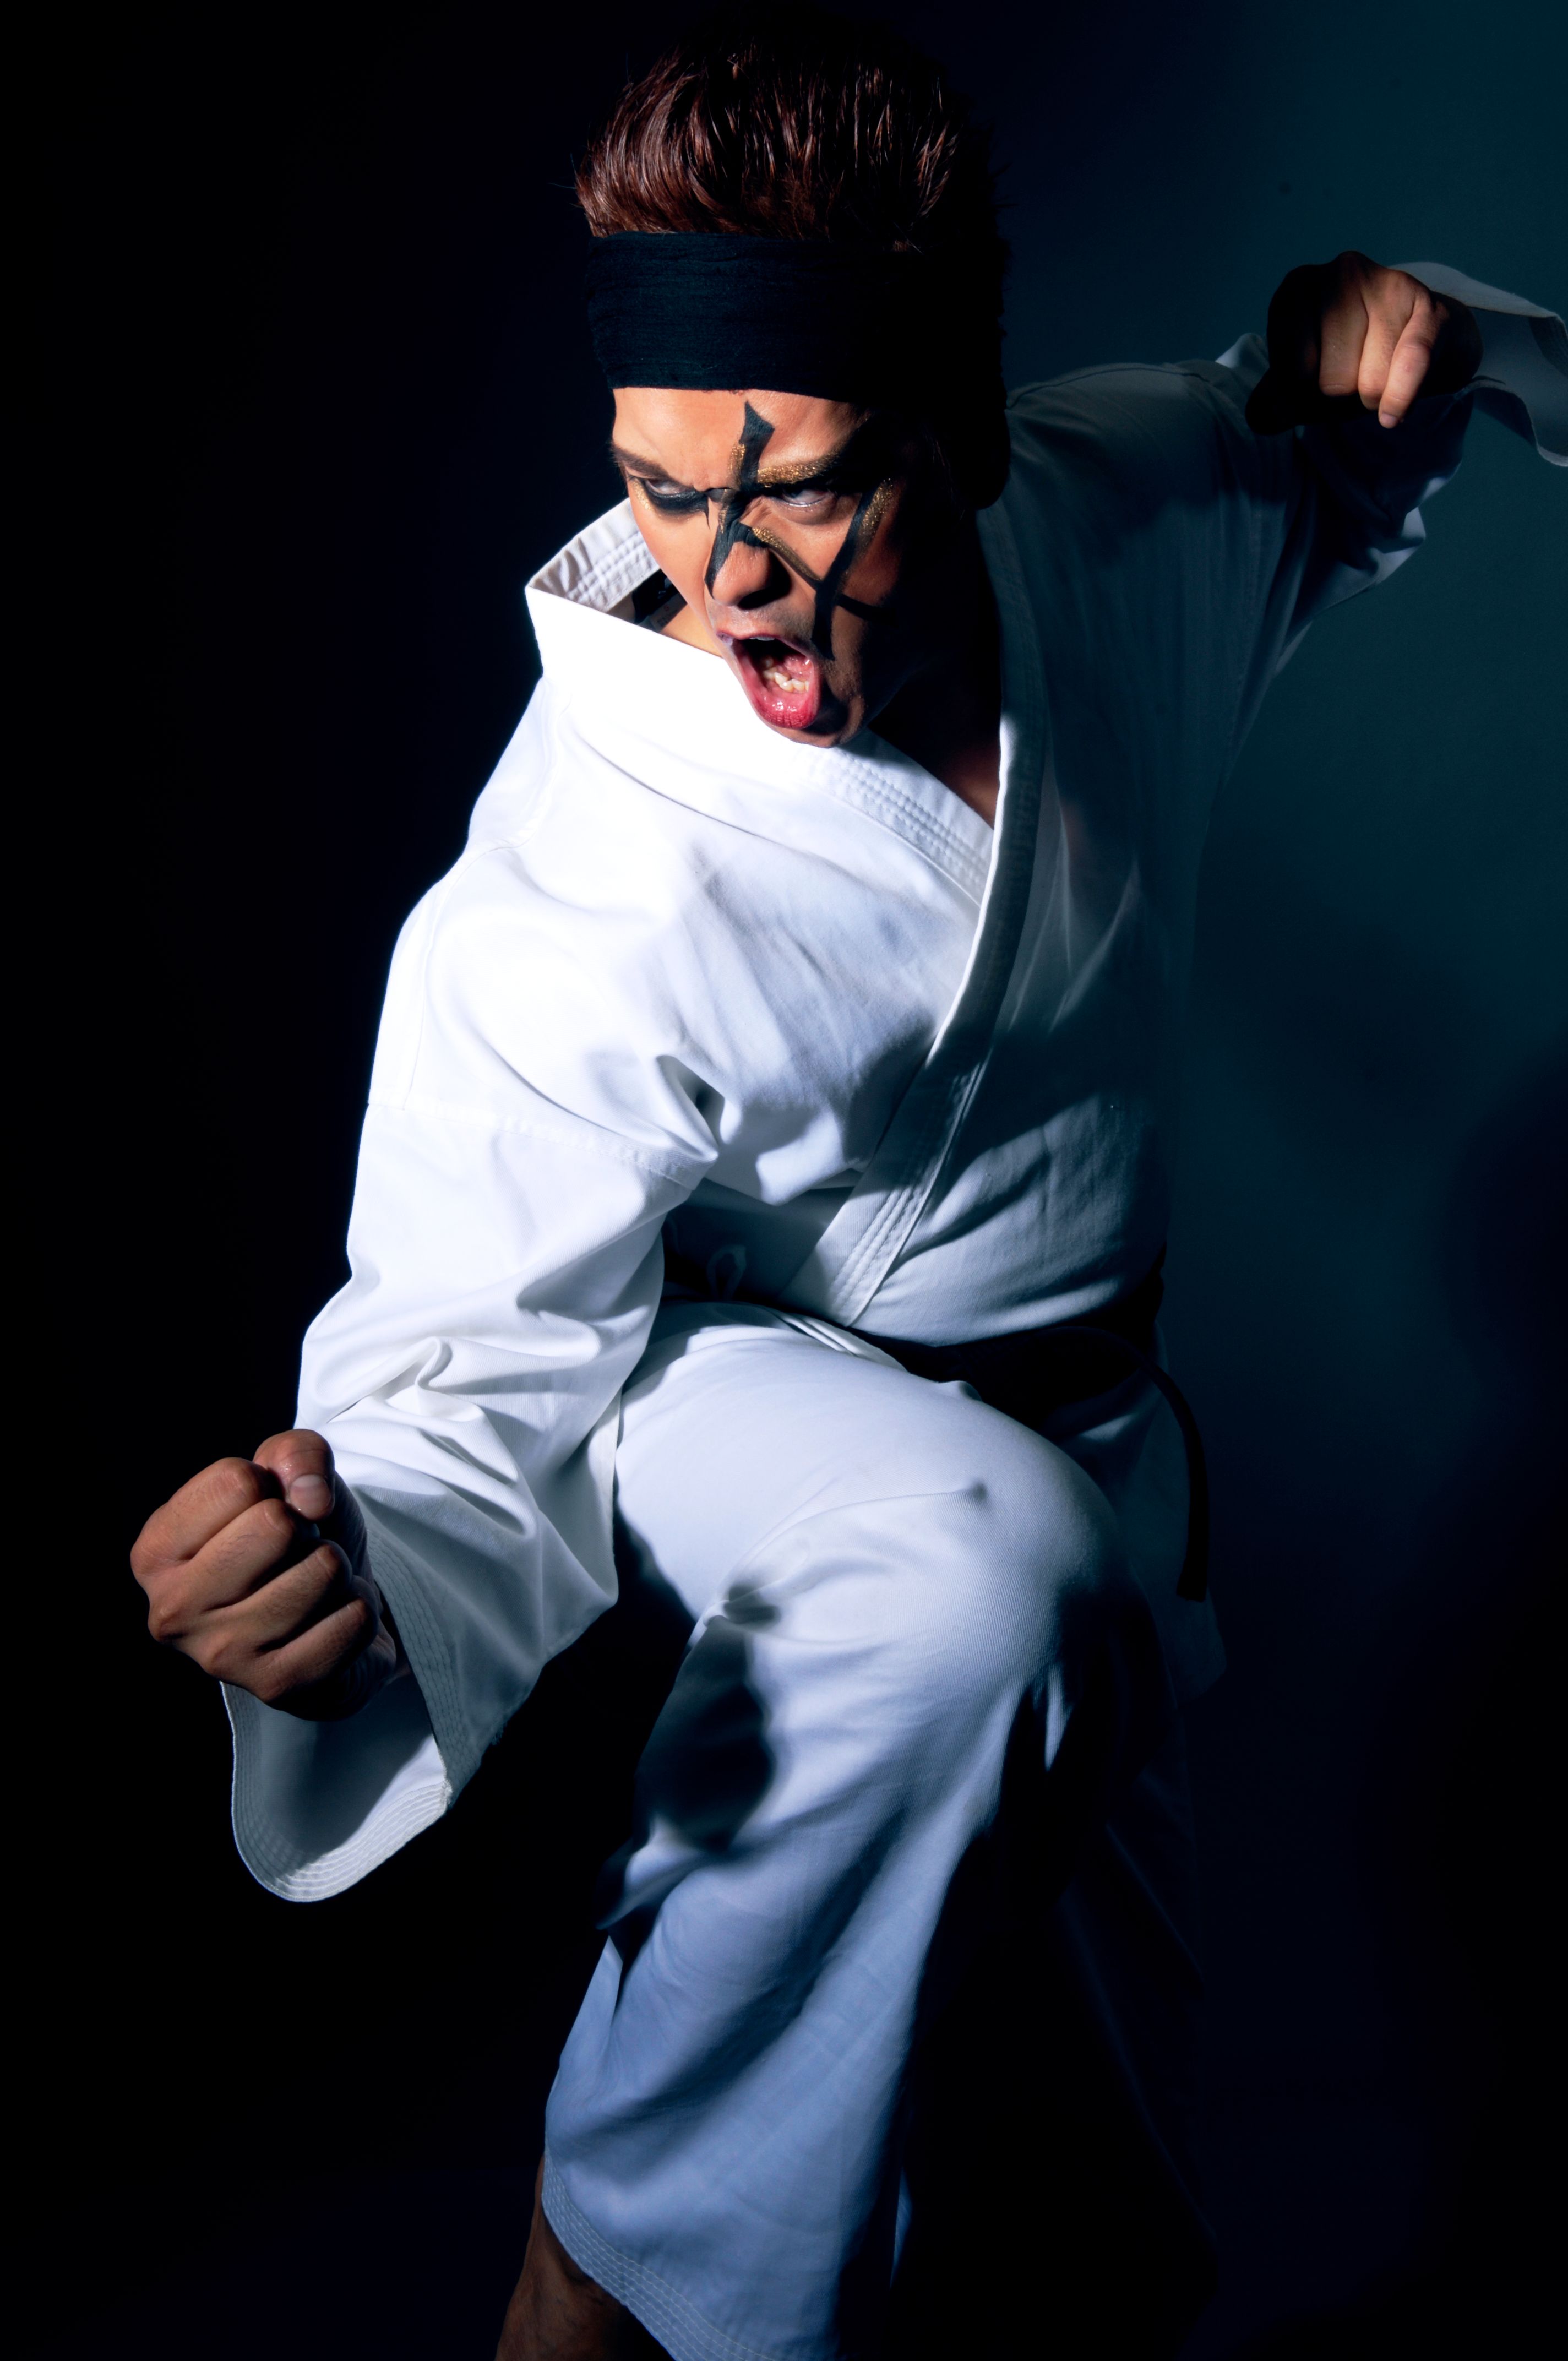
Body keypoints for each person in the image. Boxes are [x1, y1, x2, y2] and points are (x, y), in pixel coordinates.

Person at [129, 14, 1564, 2358]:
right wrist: (336, 1558)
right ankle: (580, 2295)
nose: (722, 585)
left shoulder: (1096, 517)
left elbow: (1303, 463)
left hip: (1093, 1439)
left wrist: (1360, 340)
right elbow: (461, 1353)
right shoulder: (582, 877)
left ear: (965, 434)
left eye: (793, 487)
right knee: (980, 1583)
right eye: (659, 491)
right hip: (731, 1391)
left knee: (1097, 2235)